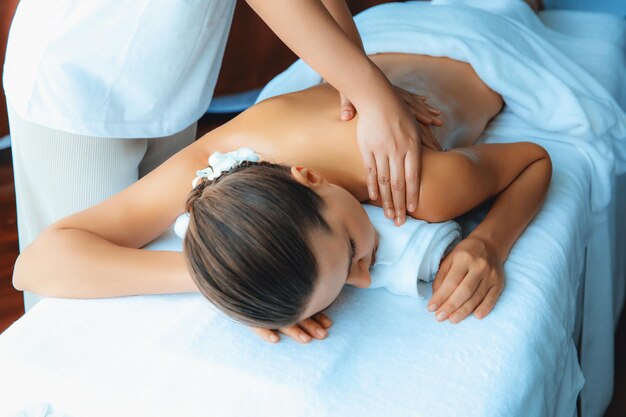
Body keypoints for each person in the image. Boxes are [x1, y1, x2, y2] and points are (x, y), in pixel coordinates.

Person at [13, 51, 552, 344]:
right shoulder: (230, 162)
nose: (366, 277)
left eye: (352, 255)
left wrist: (489, 243)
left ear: (310, 178)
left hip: (471, 45)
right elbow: (36, 265)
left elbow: (534, 159)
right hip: (367, 48)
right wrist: (228, 282)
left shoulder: (425, 188)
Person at [3, 0, 438, 310]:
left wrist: (357, 81)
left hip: (171, 88)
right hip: (75, 84)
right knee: (72, 311)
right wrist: (237, 277)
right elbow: (42, 267)